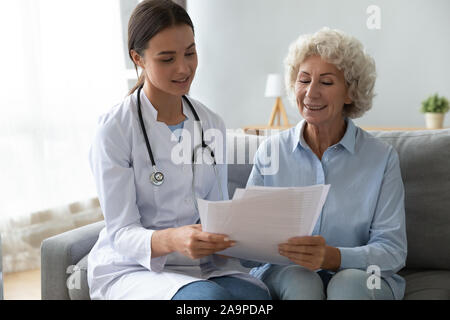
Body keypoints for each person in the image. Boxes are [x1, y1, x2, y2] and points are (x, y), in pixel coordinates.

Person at [87, 0, 270, 300]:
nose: (183, 68)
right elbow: (121, 233)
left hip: (202, 265)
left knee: (256, 298)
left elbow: (217, 210)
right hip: (134, 268)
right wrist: (173, 239)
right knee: (208, 301)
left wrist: (244, 237)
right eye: (167, 58)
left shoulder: (211, 123)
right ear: (139, 58)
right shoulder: (115, 129)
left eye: (190, 53)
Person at [246, 27, 407, 300]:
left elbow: (392, 250)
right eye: (304, 80)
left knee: (347, 285)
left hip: (360, 275)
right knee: (300, 281)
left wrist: (334, 257)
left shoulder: (382, 158)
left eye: (327, 82)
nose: (311, 93)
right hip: (287, 272)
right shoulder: (271, 151)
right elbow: (247, 241)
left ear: (350, 92)